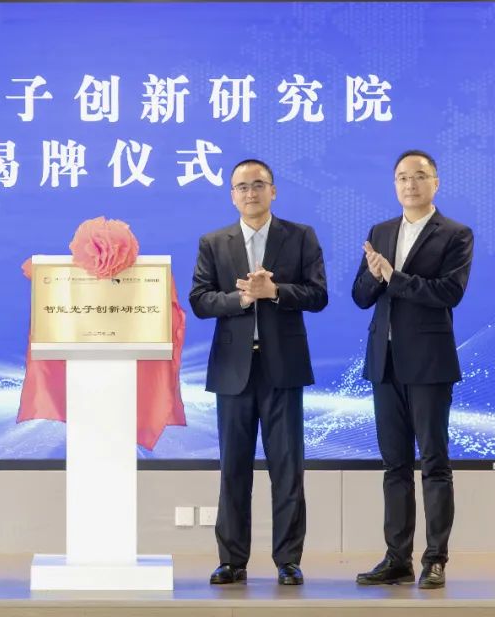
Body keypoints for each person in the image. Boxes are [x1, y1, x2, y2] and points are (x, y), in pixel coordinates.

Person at [189, 159, 328, 586]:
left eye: (258, 185)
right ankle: (232, 560)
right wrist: (242, 300)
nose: (250, 193)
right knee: (233, 469)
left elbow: (318, 295)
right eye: (242, 187)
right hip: (233, 370)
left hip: (282, 368)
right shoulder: (214, 242)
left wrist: (275, 291)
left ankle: (288, 559)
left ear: (273, 191)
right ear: (232, 195)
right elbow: (200, 300)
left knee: (288, 468)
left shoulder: (300, 236)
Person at [352, 150, 474, 590]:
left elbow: (448, 293)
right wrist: (374, 275)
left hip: (429, 364)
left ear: (435, 183)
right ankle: (397, 558)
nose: (410, 184)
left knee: (435, 464)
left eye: (419, 176)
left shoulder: (456, 234)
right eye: (402, 177)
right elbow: (361, 296)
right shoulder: (380, 232)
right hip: (384, 364)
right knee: (395, 466)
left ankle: (435, 558)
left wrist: (394, 276)